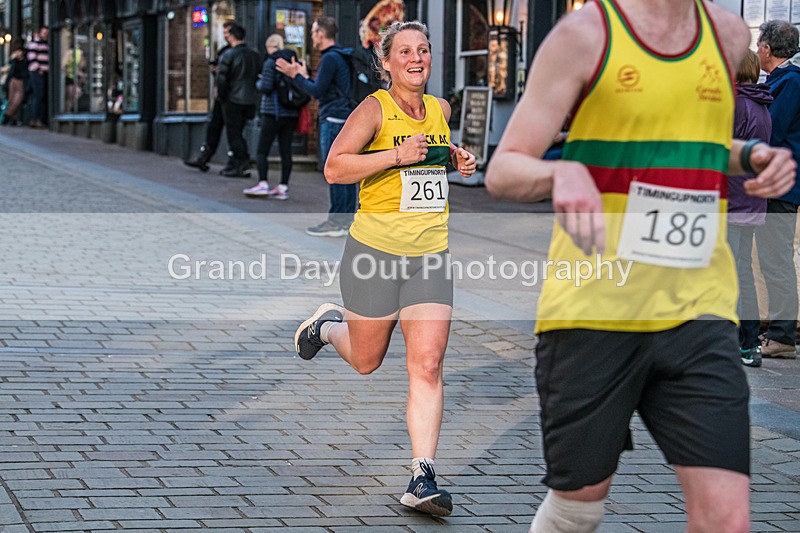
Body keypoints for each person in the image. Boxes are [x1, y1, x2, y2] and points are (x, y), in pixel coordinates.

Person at [484, 0, 796, 531]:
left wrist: (750, 157)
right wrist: (559, 176)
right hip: (595, 308)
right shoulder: (584, 34)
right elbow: (504, 168)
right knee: (578, 509)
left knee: (728, 519)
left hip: (699, 308)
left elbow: (692, 140)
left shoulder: (724, 33)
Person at [293, 21, 476, 517]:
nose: (416, 58)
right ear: (388, 61)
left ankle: (423, 475)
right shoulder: (373, 108)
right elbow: (335, 168)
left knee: (428, 363)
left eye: (424, 50)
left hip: (430, 256)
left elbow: (429, 163)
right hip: (375, 253)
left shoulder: (440, 109)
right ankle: (329, 326)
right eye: (405, 52)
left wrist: (455, 157)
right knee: (367, 359)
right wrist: (394, 154)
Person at [276, 16, 356, 237]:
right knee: (347, 172)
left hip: (333, 121)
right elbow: (324, 85)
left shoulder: (330, 58)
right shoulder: (339, 56)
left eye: (313, 32)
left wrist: (294, 76)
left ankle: (337, 222)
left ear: (321, 34)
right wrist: (303, 75)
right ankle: (347, 221)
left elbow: (316, 91)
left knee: (336, 172)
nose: (311, 36)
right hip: (345, 119)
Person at [755, 20, 800, 360]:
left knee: (777, 260)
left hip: (782, 186)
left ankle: (783, 336)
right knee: (774, 259)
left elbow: (773, 130)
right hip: (780, 184)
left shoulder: (790, 83)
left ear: (767, 49)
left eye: (759, 45)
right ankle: (779, 332)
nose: (757, 51)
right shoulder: (784, 80)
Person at [730, 49, 772, 368]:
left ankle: (742, 343)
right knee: (742, 270)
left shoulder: (737, 106)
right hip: (752, 201)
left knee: (732, 271)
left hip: (732, 201)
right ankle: (750, 343)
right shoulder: (761, 105)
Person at [243, 34, 300, 200]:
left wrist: (258, 83)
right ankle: (283, 187)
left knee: (262, 150)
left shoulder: (270, 62)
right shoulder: (293, 61)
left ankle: (263, 183)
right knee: (286, 151)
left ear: (270, 47)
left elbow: (266, 87)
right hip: (291, 113)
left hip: (272, 112)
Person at [184, 21, 234, 172]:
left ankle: (235, 161)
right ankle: (204, 157)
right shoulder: (225, 50)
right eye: (224, 32)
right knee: (214, 126)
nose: (226, 36)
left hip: (232, 97)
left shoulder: (237, 51)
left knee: (233, 130)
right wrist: (215, 71)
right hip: (221, 95)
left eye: (228, 33)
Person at [215, 23, 261, 178]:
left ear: (232, 36)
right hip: (250, 100)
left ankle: (241, 162)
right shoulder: (255, 55)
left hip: (233, 99)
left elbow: (222, 79)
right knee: (238, 132)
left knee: (234, 134)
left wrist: (221, 97)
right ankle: (236, 162)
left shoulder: (229, 55)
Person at [26, 26, 49, 128]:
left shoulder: (46, 44)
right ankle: (34, 118)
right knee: (38, 95)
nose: (45, 35)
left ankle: (38, 118)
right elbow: (31, 58)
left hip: (43, 72)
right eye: (44, 33)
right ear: (39, 33)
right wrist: (38, 69)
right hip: (37, 72)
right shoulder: (35, 43)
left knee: (41, 95)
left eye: (46, 33)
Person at [2, 38, 28, 126]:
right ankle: (12, 118)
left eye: (19, 51)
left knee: (17, 100)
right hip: (13, 80)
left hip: (21, 81)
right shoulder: (13, 61)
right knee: (11, 100)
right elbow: (10, 69)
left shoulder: (25, 60)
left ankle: (8, 116)